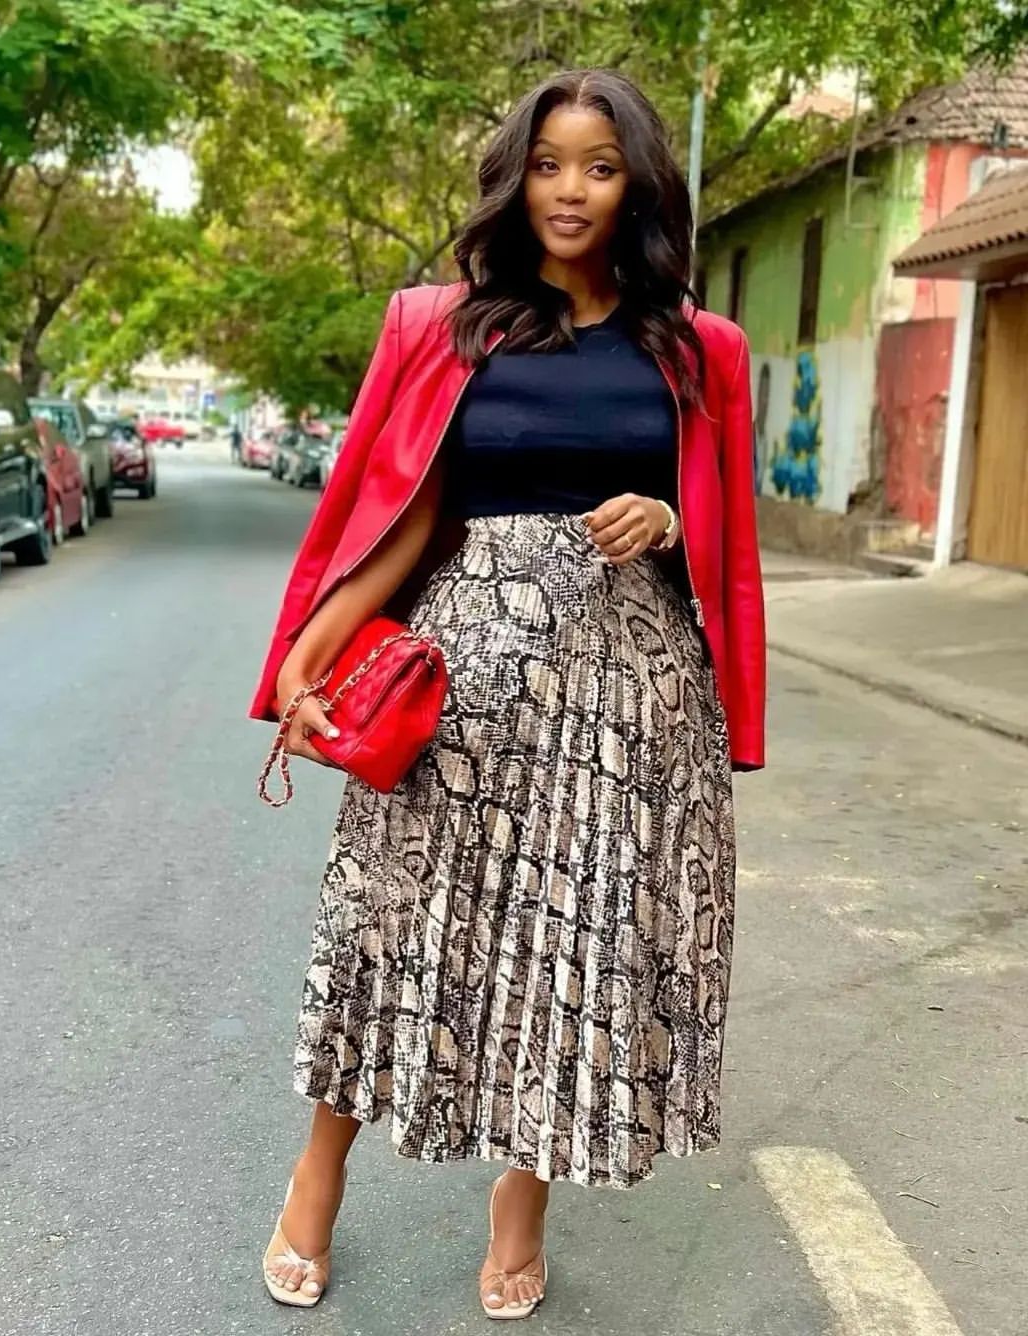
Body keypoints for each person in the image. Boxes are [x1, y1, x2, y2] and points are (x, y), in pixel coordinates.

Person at [250, 67, 765, 1319]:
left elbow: (726, 538)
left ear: (637, 185)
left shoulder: (699, 347)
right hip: (465, 683)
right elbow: (402, 516)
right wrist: (308, 655)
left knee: (573, 948)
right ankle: (317, 1178)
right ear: (515, 179)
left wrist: (664, 520)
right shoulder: (445, 326)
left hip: (629, 700)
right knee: (388, 926)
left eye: (599, 165)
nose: (570, 189)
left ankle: (521, 1205)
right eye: (547, 164)